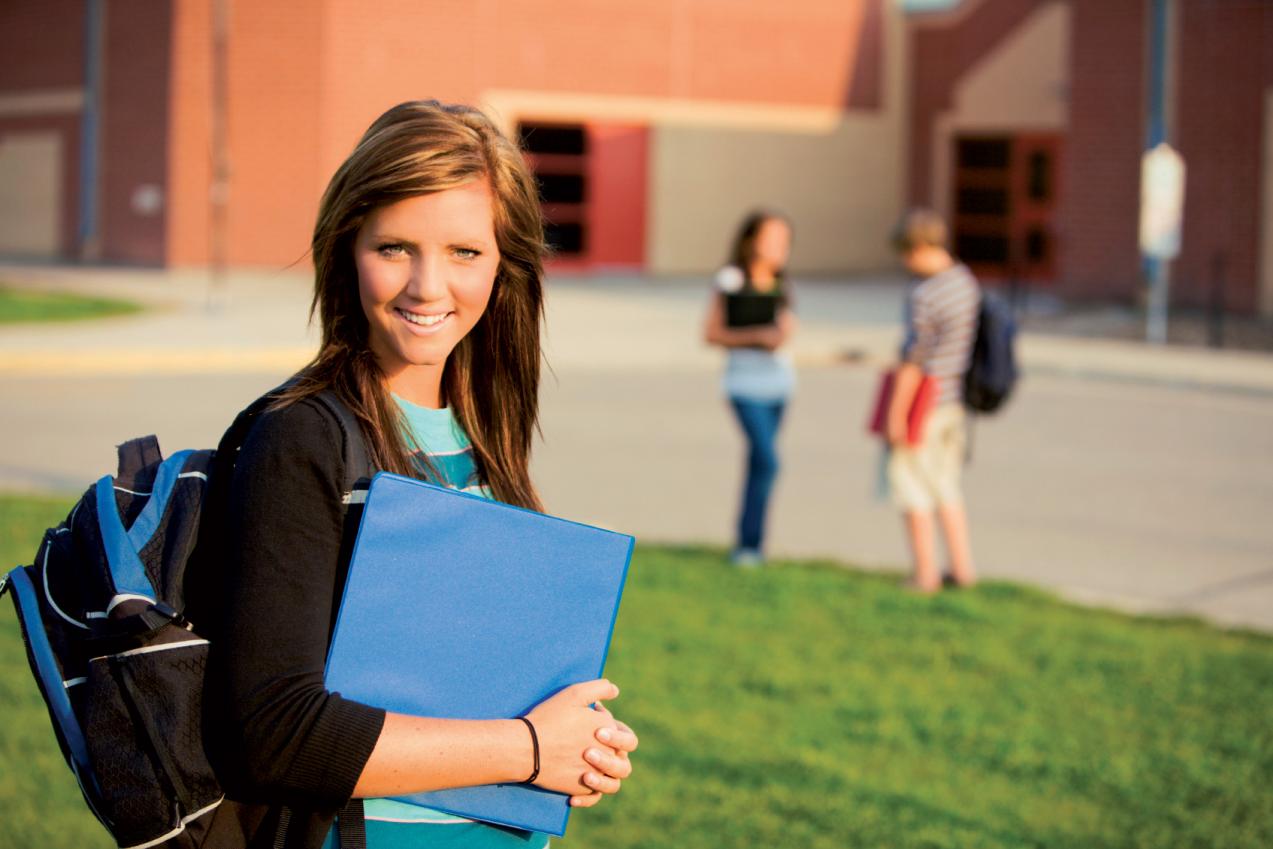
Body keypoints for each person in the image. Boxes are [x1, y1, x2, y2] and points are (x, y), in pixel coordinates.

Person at [192, 100, 637, 849]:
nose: (428, 287)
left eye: (465, 252)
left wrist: (578, 744)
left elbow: (463, 682)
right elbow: (273, 730)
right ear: (346, 249)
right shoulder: (302, 437)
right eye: (395, 247)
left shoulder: (483, 434)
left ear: (505, 265)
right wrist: (531, 747)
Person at [885, 208, 979, 593]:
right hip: (955, 401)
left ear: (921, 247)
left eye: (906, 253)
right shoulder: (965, 282)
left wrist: (896, 414)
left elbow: (915, 360)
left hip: (924, 404)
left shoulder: (924, 293)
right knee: (947, 486)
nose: (905, 263)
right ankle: (963, 568)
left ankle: (925, 574)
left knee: (911, 487)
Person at [702, 211, 798, 567]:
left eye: (784, 241)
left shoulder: (782, 282)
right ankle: (749, 544)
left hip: (780, 386)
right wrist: (757, 337)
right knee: (769, 461)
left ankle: (751, 546)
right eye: (772, 238)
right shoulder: (731, 280)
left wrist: (784, 332)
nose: (779, 248)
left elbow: (787, 329)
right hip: (744, 386)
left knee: (760, 464)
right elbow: (711, 333)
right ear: (751, 240)